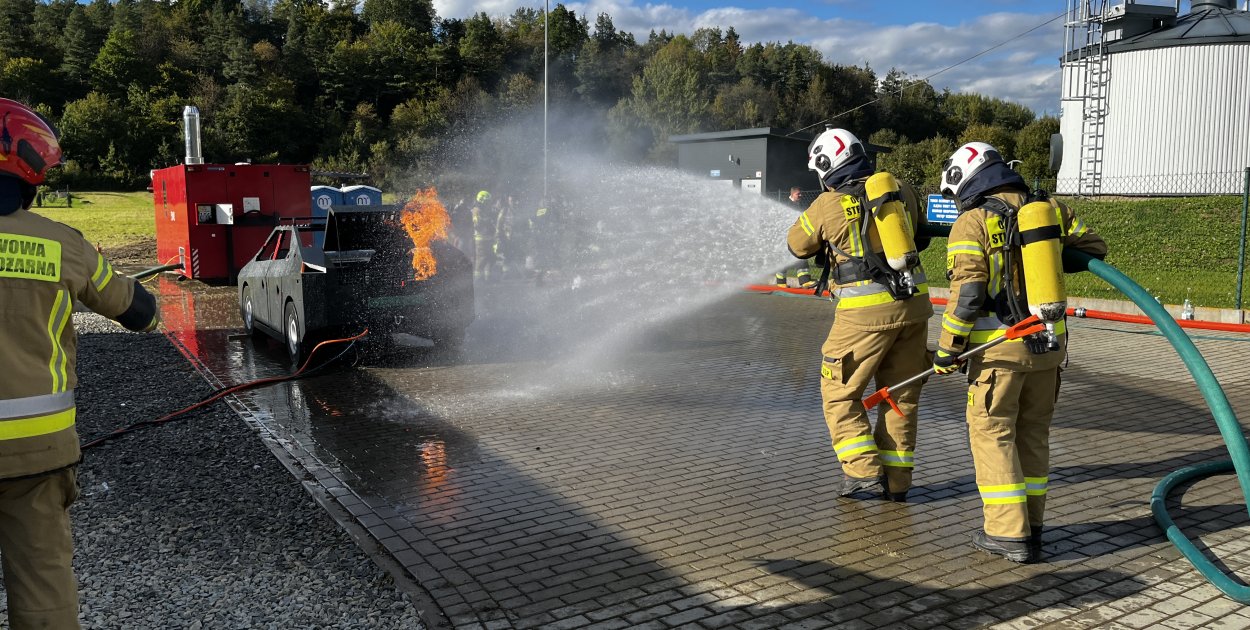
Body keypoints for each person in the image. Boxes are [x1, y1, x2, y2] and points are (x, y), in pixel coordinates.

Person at [0, 98, 160, 629]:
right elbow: (137, 312)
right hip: (37, 452)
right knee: (43, 587)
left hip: (38, 452)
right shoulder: (61, 244)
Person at [934, 141, 1106, 563]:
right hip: (1049, 347)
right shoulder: (1050, 209)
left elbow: (969, 296)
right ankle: (1033, 525)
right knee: (1033, 434)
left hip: (1000, 351)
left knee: (993, 436)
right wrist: (1045, 253)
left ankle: (1007, 533)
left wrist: (947, 349)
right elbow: (1095, 249)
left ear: (965, 180)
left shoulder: (972, 222)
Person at [786, 128, 932, 502]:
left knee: (838, 392)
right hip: (914, 306)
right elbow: (922, 235)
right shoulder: (900, 189)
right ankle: (897, 483)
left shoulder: (827, 203)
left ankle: (863, 471)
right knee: (900, 396)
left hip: (864, 314)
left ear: (825, 164)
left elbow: (798, 245)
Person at [775, 187, 816, 288]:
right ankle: (803, 281)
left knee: (794, 257)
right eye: (798, 194)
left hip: (795, 236)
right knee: (797, 255)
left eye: (800, 193)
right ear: (792, 194)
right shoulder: (787, 205)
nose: (800, 195)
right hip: (788, 236)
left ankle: (783, 282)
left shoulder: (799, 205)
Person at [471, 190, 497, 281]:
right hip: (481, 239)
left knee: (491, 258)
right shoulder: (476, 210)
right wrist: (488, 222)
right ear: (481, 200)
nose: (489, 203)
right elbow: (477, 225)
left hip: (488, 238)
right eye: (487, 201)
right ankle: (478, 279)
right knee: (481, 259)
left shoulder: (484, 210)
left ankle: (488, 277)